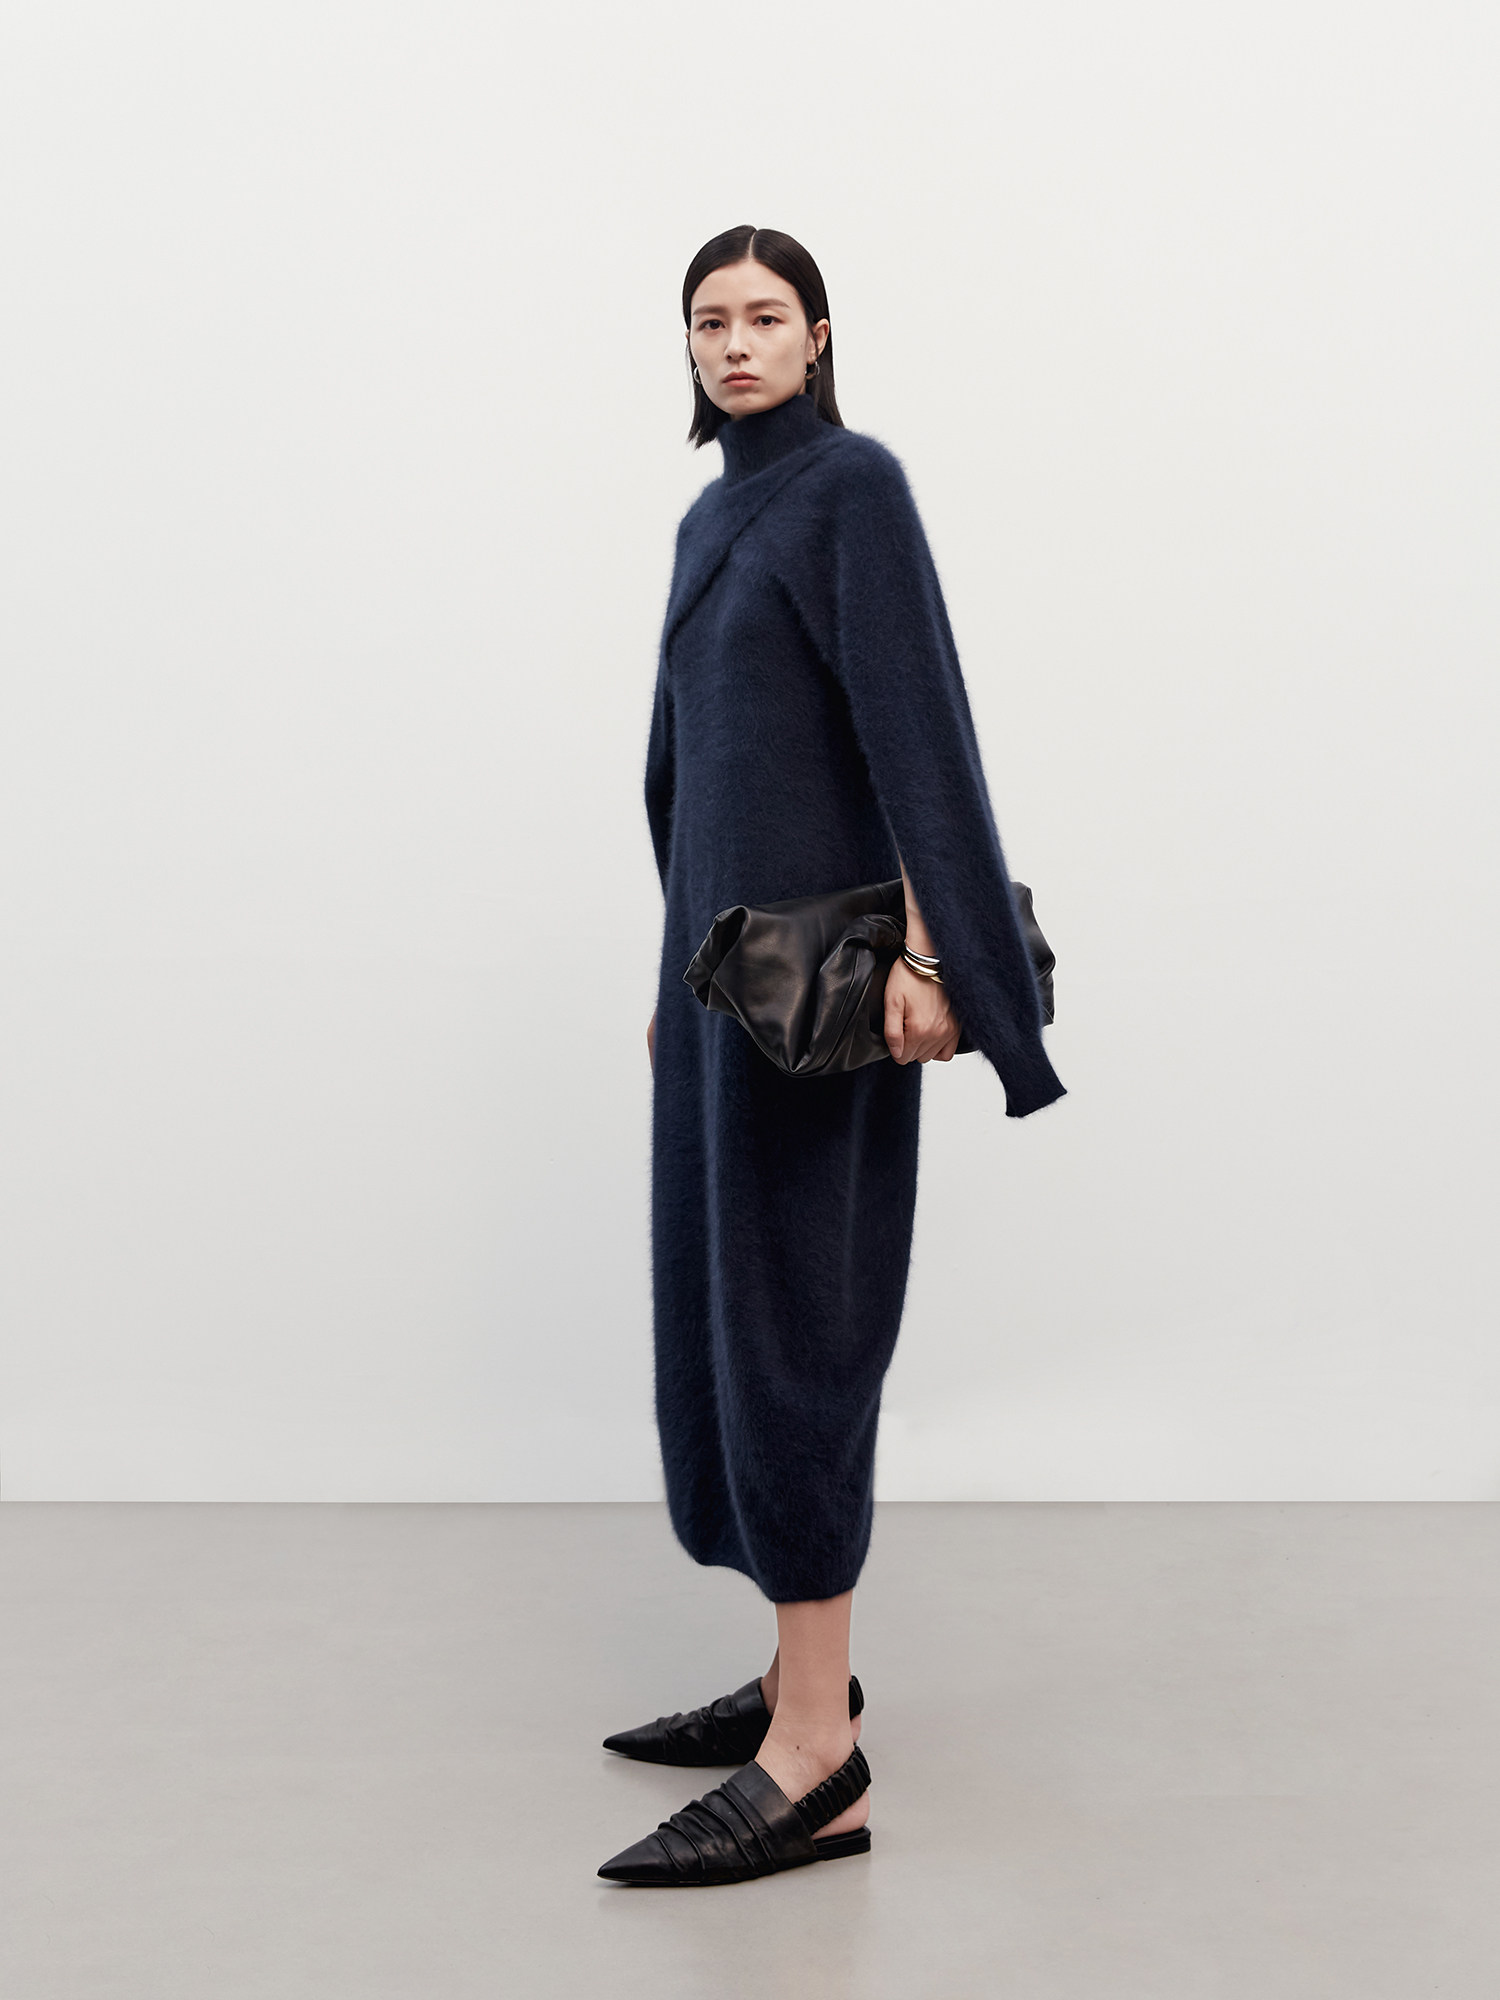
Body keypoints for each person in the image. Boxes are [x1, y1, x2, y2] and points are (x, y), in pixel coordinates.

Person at [597, 226, 1066, 1888]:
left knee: (802, 1321)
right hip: (722, 992)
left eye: (766, 317)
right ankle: (803, 1674)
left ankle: (818, 1762)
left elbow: (914, 726)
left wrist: (939, 953)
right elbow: (693, 770)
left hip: (826, 994)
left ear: (817, 337)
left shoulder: (852, 488)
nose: (736, 343)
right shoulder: (708, 516)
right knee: (724, 1312)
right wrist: (672, 974)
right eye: (708, 321)